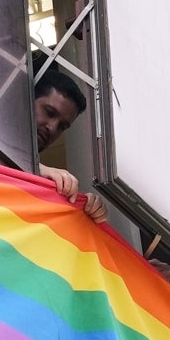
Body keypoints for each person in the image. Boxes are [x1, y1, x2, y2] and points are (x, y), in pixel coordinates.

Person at [31, 66, 107, 223]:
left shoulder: (45, 176)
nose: (52, 128)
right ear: (27, 98)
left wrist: (85, 209)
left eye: (62, 126)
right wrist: (34, 169)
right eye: (49, 112)